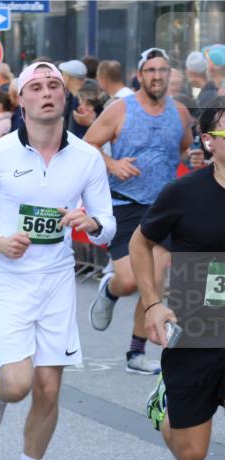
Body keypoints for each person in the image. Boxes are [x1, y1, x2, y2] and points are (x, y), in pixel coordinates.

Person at [0, 62, 115, 460]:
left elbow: (108, 224)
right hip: (12, 280)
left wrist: (92, 223)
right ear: (21, 100)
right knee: (18, 384)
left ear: (65, 97)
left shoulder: (86, 158)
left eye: (53, 86)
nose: (46, 93)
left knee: (48, 388)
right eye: (36, 87)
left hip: (58, 279)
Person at [131, 97, 225, 460]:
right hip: (198, 330)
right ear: (209, 142)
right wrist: (152, 303)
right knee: (191, 453)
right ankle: (165, 401)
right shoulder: (184, 193)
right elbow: (140, 241)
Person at [85, 48, 193, 374]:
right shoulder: (121, 109)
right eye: (151, 70)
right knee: (131, 280)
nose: (157, 76)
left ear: (169, 75)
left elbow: (184, 148)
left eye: (163, 70)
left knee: (155, 280)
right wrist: (112, 163)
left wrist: (193, 160)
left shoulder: (180, 113)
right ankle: (110, 290)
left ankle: (136, 352)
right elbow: (87, 145)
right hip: (124, 204)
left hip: (163, 207)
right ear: (140, 75)